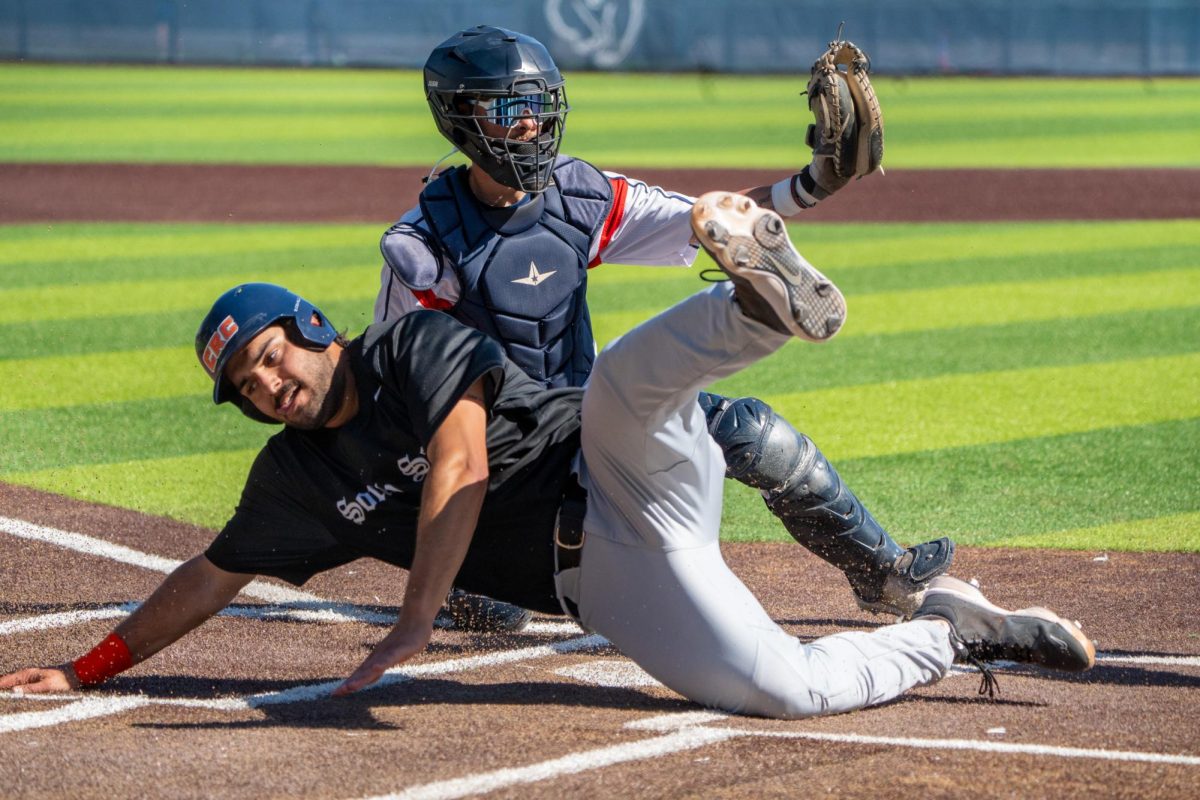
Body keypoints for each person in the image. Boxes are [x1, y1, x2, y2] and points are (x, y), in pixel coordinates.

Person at [2, 193, 1094, 717]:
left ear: (314, 326)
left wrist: (419, 618)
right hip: (607, 573)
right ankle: (947, 630)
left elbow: (463, 463)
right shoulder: (292, 478)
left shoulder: (410, 344)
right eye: (244, 384)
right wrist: (91, 664)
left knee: (619, 383)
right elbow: (213, 571)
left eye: (269, 354)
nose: (266, 382)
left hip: (611, 464)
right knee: (783, 688)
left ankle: (758, 300)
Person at [374, 25, 951, 627]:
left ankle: (882, 575)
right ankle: (469, 565)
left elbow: (707, 220)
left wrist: (811, 184)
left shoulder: (581, 197)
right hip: (500, 463)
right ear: (458, 114)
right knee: (499, 611)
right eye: (509, 108)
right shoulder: (423, 247)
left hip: (586, 421)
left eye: (540, 104)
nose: (531, 125)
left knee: (749, 432)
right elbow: (398, 398)